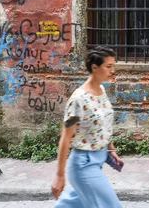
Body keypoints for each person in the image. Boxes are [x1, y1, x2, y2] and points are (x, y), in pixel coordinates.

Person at [51, 46, 123, 207]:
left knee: (71, 205)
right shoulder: (78, 99)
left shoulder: (101, 90)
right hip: (83, 165)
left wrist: (110, 149)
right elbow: (65, 138)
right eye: (109, 66)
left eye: (113, 66)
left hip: (98, 159)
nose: (113, 70)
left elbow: (103, 123)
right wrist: (59, 175)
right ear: (95, 67)